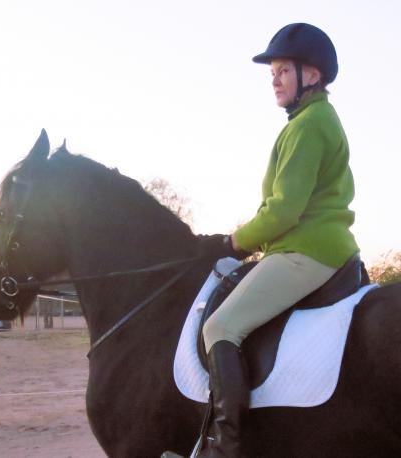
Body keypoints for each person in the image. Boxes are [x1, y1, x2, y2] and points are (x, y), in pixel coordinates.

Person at [196, 23, 360, 457]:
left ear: (313, 75)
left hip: (306, 251)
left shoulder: (308, 125)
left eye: (283, 69)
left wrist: (233, 242)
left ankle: (225, 448)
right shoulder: (316, 119)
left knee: (220, 326)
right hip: (317, 247)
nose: (274, 78)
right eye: (272, 71)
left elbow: (284, 210)